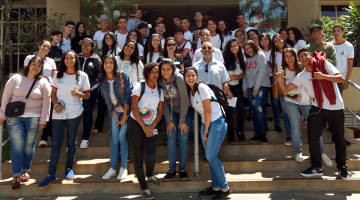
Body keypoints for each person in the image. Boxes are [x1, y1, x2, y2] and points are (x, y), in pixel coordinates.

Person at [276, 47, 350, 180]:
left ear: (310, 56)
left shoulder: (324, 64)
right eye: (301, 56)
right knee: (313, 138)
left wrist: (322, 76)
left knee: (339, 139)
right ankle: (316, 166)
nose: (304, 57)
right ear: (299, 60)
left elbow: (340, 79)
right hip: (317, 107)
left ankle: (342, 166)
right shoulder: (301, 76)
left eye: (306, 54)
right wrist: (279, 80)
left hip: (335, 107)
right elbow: (286, 91)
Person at [38, 50, 90, 189]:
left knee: (72, 142)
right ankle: (51, 174)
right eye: (66, 58)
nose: (69, 60)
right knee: (56, 144)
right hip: (58, 113)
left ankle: (68, 168)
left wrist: (77, 93)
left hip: (75, 113)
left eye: (71, 58)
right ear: (63, 60)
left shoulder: (82, 76)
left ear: (75, 59)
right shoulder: (58, 75)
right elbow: (53, 94)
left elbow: (87, 95)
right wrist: (55, 105)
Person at [0, 56, 51, 190]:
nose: (36, 67)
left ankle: (25, 170)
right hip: (14, 116)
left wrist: (44, 119)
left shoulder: (43, 82)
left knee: (29, 143)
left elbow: (47, 101)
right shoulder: (16, 78)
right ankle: (16, 175)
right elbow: (6, 96)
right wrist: (2, 115)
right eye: (33, 64)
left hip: (33, 117)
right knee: (17, 144)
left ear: (41, 68)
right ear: (28, 64)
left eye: (39, 66)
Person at [277, 48, 331, 165]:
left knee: (314, 126)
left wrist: (312, 95)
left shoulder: (302, 67)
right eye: (286, 56)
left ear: (295, 57)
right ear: (284, 58)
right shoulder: (282, 70)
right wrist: (279, 80)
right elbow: (282, 90)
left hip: (305, 100)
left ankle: (322, 153)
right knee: (295, 126)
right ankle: (298, 151)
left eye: (291, 55)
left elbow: (312, 81)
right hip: (290, 100)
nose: (289, 58)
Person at [184, 67, 231, 200]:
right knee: (211, 156)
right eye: (188, 76)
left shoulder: (202, 88)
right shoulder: (191, 91)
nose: (190, 78)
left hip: (217, 122)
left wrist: (206, 130)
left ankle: (225, 188)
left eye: (193, 75)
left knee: (211, 156)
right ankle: (216, 186)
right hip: (207, 123)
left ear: (197, 76)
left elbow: (208, 110)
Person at [128, 62, 164, 199]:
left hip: (151, 126)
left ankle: (150, 174)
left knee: (150, 155)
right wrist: (144, 127)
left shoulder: (159, 90)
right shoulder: (139, 86)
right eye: (152, 72)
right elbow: (134, 107)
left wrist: (152, 126)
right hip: (136, 125)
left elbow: (160, 112)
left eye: (157, 72)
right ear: (147, 73)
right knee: (138, 156)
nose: (155, 75)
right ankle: (143, 187)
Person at [158, 58, 193, 182]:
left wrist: (182, 121)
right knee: (171, 135)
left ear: (173, 69)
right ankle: (172, 169)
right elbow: (164, 102)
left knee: (183, 136)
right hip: (171, 110)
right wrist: (169, 120)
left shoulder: (178, 78)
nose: (165, 71)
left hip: (185, 110)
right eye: (163, 69)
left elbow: (184, 99)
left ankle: (182, 169)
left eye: (168, 69)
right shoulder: (160, 80)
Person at [99, 54, 132, 180]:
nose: (108, 65)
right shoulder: (102, 80)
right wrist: (116, 115)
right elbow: (107, 101)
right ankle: (112, 168)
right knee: (114, 138)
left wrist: (124, 116)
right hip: (115, 112)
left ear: (115, 64)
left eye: (111, 62)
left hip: (127, 111)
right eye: (106, 62)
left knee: (121, 137)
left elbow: (128, 96)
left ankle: (123, 168)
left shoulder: (123, 76)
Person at [23, 41, 57, 147]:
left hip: (49, 91)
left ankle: (45, 138)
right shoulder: (29, 58)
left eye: (48, 47)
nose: (45, 48)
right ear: (39, 46)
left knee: (49, 114)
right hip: (35, 90)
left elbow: (54, 77)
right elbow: (25, 74)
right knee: (39, 114)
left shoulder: (51, 61)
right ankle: (39, 138)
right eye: (44, 46)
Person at [242, 40, 271, 144]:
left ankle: (263, 134)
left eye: (250, 48)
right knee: (253, 110)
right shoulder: (246, 59)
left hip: (260, 86)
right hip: (249, 87)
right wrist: (244, 89)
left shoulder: (261, 56)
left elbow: (261, 73)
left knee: (258, 107)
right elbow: (244, 75)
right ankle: (257, 134)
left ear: (254, 47)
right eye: (246, 49)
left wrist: (256, 88)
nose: (248, 50)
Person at [78, 38, 101, 148]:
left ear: (92, 47)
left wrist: (90, 87)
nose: (85, 47)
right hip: (76, 91)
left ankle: (85, 138)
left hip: (91, 90)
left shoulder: (96, 59)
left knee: (87, 112)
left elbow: (99, 75)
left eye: (88, 45)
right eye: (83, 44)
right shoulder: (77, 57)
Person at [223, 38, 246, 143]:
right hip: (227, 87)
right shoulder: (225, 59)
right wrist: (228, 91)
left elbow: (242, 75)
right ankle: (231, 134)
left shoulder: (242, 58)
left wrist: (233, 78)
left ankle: (240, 131)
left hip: (237, 86)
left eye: (235, 45)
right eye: (231, 46)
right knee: (229, 111)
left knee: (241, 109)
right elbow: (224, 77)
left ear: (239, 47)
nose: (234, 48)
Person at [271, 33, 292, 144]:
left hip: (293, 85)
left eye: (280, 39)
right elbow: (274, 71)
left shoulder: (291, 51)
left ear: (283, 39)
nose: (278, 42)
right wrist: (277, 84)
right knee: (284, 111)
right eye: (275, 41)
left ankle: (296, 133)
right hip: (281, 86)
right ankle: (289, 134)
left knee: (294, 111)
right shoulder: (274, 54)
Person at [259, 33, 283, 132]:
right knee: (264, 103)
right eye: (262, 40)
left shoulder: (275, 51)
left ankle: (277, 124)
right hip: (263, 79)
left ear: (269, 40)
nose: (264, 41)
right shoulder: (258, 52)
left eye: (266, 39)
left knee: (275, 102)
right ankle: (265, 125)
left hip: (273, 78)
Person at [332, 24, 354, 95]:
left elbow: (350, 64)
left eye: (339, 31)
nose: (336, 33)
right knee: (328, 104)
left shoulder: (348, 46)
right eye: (334, 31)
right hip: (329, 78)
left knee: (338, 103)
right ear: (332, 33)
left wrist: (346, 81)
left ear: (343, 32)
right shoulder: (328, 45)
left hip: (340, 79)